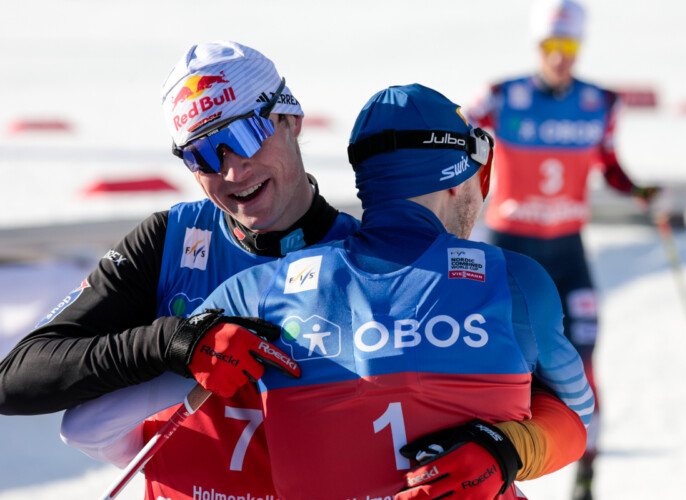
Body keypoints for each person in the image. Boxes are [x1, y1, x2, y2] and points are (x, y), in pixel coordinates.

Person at [0, 43, 586, 500]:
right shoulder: (177, 239)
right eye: (202, 155)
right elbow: (18, 377)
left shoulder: (367, 260)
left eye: (244, 135)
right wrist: (175, 342)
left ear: (291, 119)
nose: (231, 171)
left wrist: (508, 449)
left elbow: (537, 401)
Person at [182, 83, 594, 499]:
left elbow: (158, 358)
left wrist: (187, 339)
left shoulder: (264, 288)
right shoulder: (512, 280)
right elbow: (577, 415)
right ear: (458, 176)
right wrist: (507, 449)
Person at [466, 1, 661, 499]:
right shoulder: (502, 96)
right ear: (538, 47)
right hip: (509, 248)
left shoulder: (600, 102)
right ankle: (485, 462)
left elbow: (611, 165)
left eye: (568, 47)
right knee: (493, 356)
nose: (560, 57)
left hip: (568, 253)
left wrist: (641, 193)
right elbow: (456, 139)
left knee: (586, 357)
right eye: (551, 47)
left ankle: (588, 467)